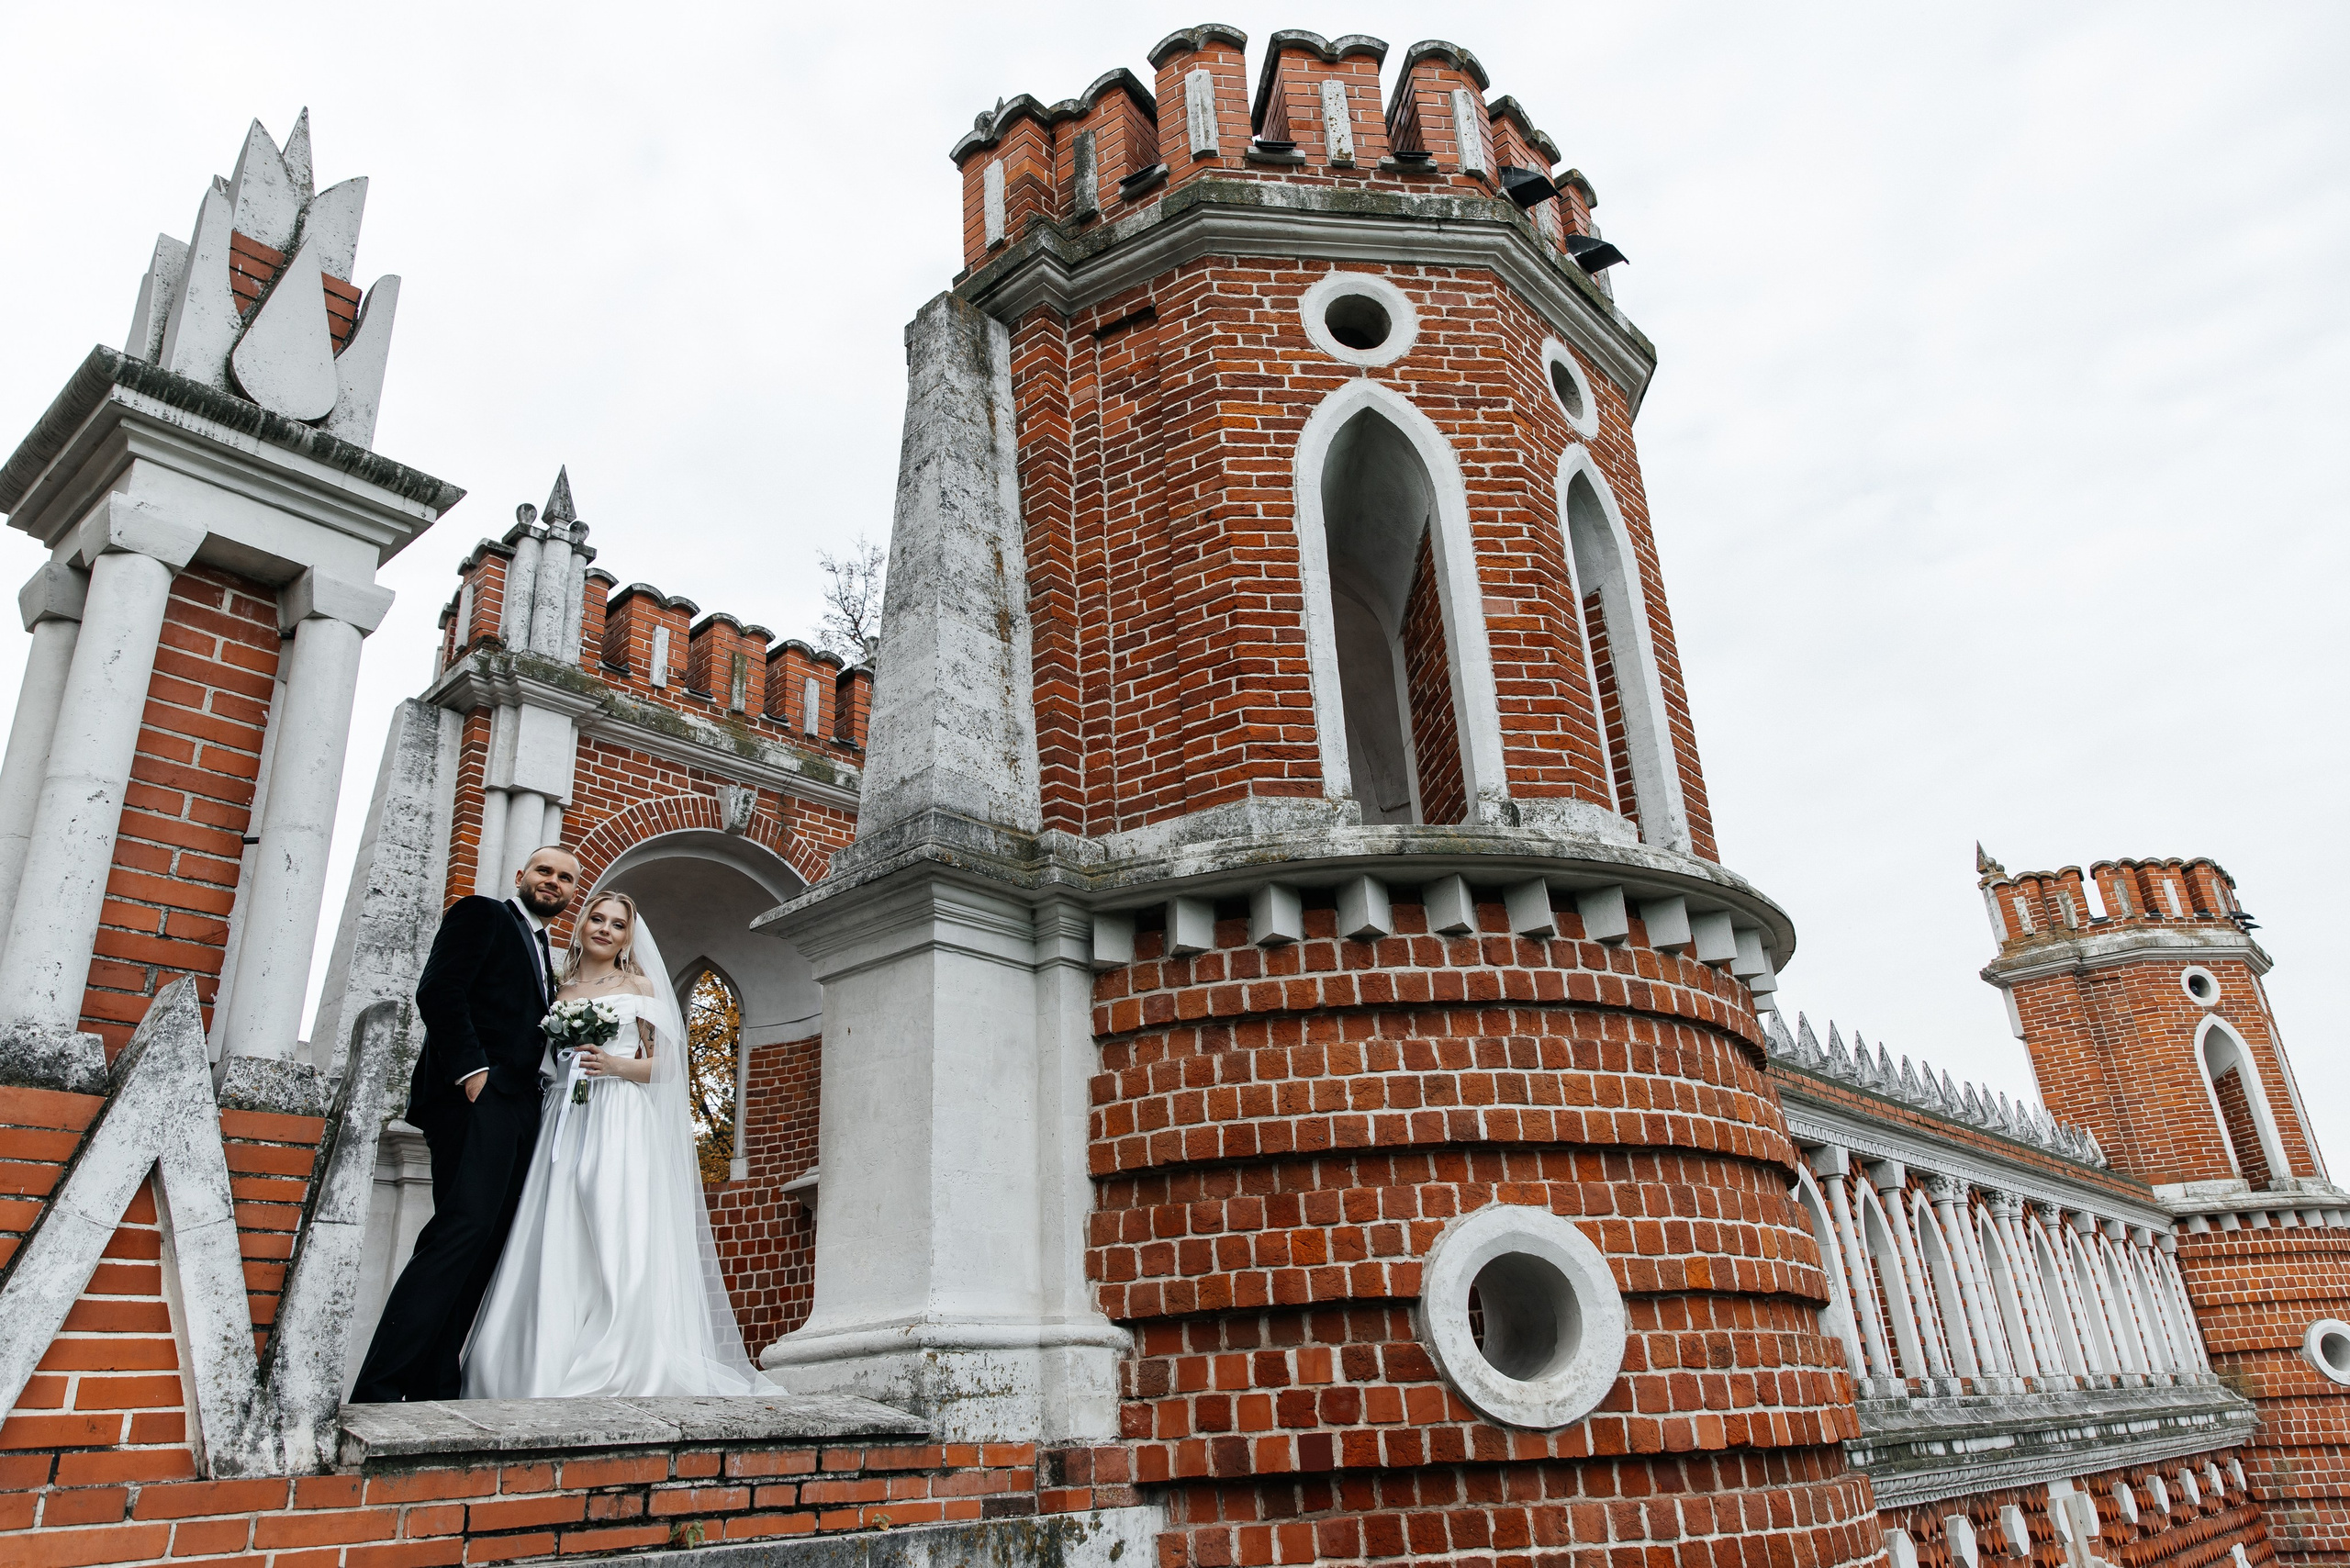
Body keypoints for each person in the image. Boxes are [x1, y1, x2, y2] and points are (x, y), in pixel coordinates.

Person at [459, 890, 770, 1396]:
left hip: (618, 1113)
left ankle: (617, 1351)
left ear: (628, 938)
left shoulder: (641, 985)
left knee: (611, 1222)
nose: (605, 929)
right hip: (561, 1116)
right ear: (581, 926)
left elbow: (669, 1065)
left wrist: (617, 1066)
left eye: (617, 924)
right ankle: (534, 1359)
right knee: (554, 1224)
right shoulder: (558, 991)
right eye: (597, 919)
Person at [350, 847, 579, 1403]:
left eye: (565, 878)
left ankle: (434, 1386)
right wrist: (473, 1074)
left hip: (522, 1105)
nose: (553, 882)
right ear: (521, 875)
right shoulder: (482, 914)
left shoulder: (544, 949)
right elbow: (440, 991)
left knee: (487, 1244)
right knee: (460, 1233)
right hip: (477, 1097)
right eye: (544, 871)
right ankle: (378, 1387)